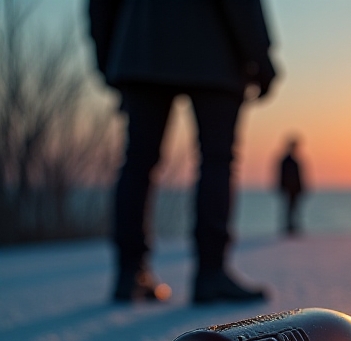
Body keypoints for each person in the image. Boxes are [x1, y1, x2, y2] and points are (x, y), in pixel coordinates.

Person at [88, 0, 276, 303]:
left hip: (140, 44)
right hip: (213, 48)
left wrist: (108, 56)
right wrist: (260, 55)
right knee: (216, 162)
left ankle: (129, 272)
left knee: (137, 162)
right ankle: (211, 273)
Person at [277, 137, 305, 235]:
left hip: (295, 189)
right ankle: (289, 227)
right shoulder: (287, 160)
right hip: (289, 188)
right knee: (289, 208)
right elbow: (281, 175)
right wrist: (282, 187)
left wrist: (301, 188)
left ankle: (292, 226)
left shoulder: (293, 160)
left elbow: (299, 176)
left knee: (294, 208)